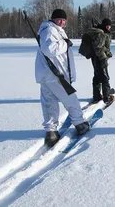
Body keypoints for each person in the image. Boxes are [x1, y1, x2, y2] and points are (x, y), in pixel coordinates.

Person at [35, 8, 90, 147]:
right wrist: (66, 44)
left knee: (49, 103)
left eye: (64, 20)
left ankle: (51, 132)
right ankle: (80, 124)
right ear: (53, 19)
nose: (62, 22)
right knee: (71, 99)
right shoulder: (50, 30)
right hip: (55, 75)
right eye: (60, 19)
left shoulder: (51, 30)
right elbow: (49, 50)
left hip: (47, 75)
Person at [82, 18, 114, 103]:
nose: (108, 27)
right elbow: (98, 47)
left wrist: (107, 52)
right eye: (107, 25)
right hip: (99, 58)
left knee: (97, 76)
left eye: (109, 25)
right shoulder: (101, 33)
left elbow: (102, 46)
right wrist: (103, 57)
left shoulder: (102, 32)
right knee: (105, 77)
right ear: (104, 25)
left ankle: (96, 96)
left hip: (95, 57)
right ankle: (106, 97)